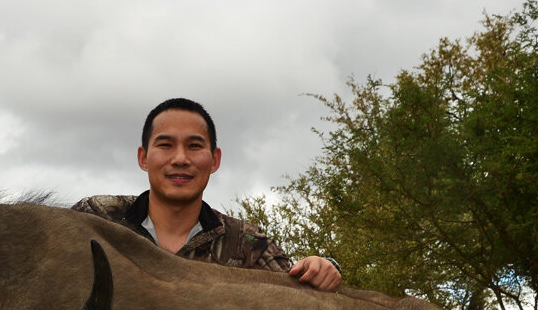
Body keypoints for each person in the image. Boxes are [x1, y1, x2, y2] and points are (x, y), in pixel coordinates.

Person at [72, 98, 342, 291]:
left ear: (215, 160)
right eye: (165, 145)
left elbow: (295, 293)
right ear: (143, 158)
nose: (180, 159)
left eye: (194, 146)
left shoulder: (247, 243)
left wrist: (322, 267)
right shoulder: (95, 217)